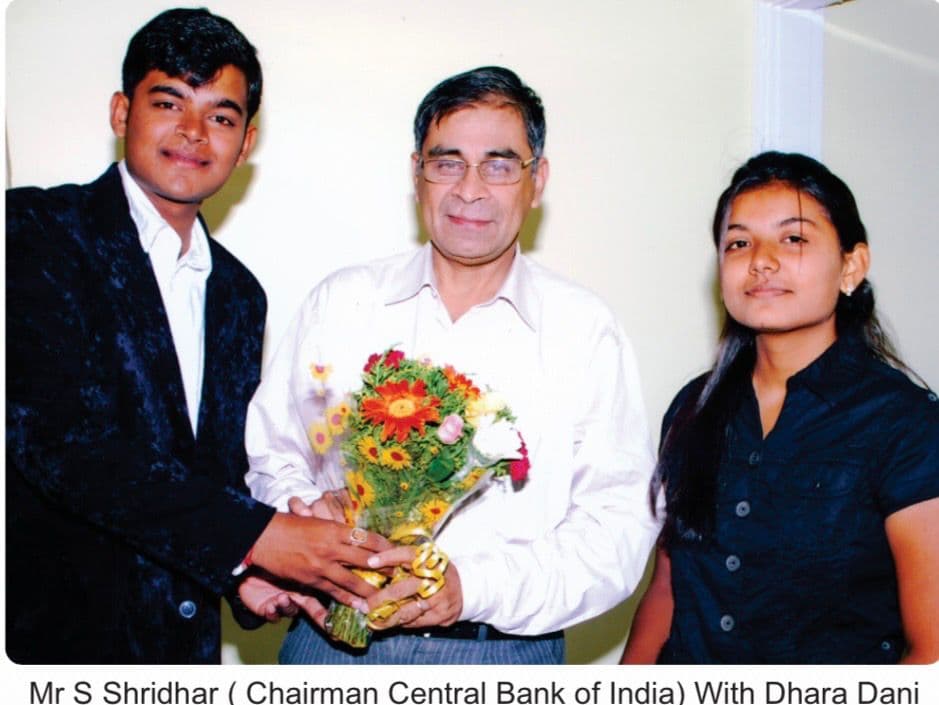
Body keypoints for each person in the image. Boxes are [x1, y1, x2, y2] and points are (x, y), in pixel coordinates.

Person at [5, 8, 386, 665]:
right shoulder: (35, 231)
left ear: (245, 142)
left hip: (184, 662)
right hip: (50, 651)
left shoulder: (240, 293)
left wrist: (250, 576)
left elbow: (213, 473)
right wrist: (257, 535)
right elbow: (57, 444)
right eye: (169, 101)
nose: (193, 132)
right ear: (122, 113)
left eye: (220, 115)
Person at [245, 66, 660, 664]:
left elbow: (616, 531)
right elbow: (271, 454)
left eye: (498, 164)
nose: (469, 189)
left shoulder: (583, 330)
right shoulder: (343, 303)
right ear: (417, 174)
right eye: (446, 163)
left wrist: (473, 587)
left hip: (500, 656)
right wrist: (307, 513)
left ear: (536, 179)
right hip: (332, 644)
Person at [620, 151, 939, 665]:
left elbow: (932, 652)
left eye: (793, 238)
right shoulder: (692, 409)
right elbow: (669, 592)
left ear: (851, 265)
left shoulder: (907, 425)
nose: (760, 260)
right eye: (739, 242)